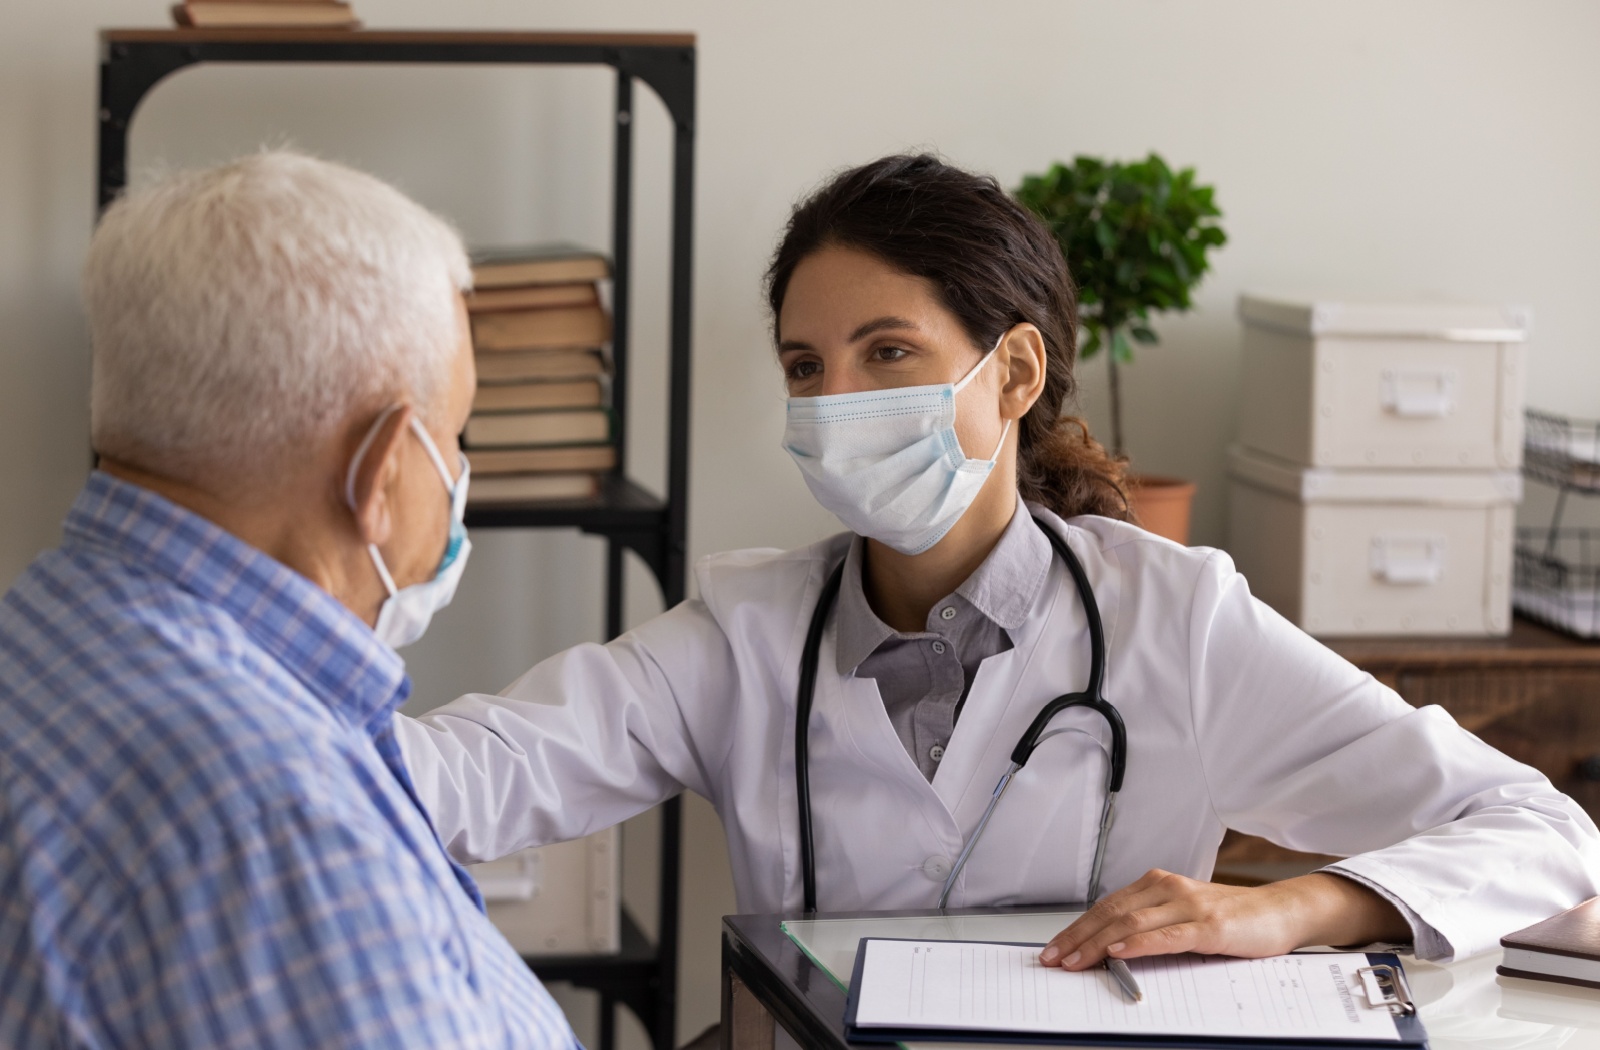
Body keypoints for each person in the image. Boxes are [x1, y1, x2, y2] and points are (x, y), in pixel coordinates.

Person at [397, 154, 1600, 977]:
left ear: (1013, 374)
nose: (834, 401)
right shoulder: (741, 634)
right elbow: (470, 773)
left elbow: (1541, 829)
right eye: (806, 367)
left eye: (886, 353)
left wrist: (1290, 907)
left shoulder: (1175, 621)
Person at [0, 152, 578, 1049]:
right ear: (381, 471)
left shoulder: (41, 632)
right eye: (455, 434)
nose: (460, 473)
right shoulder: (283, 829)